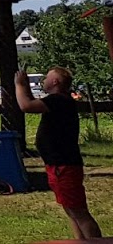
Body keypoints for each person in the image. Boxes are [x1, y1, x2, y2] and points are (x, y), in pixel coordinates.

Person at [18, 67, 102, 239]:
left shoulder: (58, 100)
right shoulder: (59, 101)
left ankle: (96, 242)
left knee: (79, 212)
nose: (44, 80)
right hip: (58, 165)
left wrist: (19, 84)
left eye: (47, 77)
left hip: (63, 166)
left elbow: (26, 106)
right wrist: (26, 86)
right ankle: (81, 241)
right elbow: (32, 101)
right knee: (71, 209)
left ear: (55, 81)